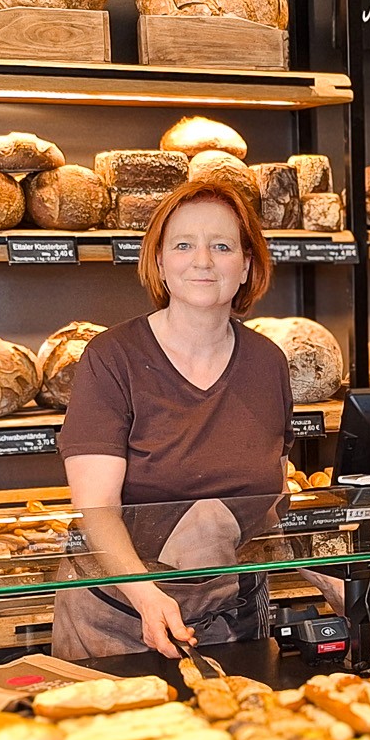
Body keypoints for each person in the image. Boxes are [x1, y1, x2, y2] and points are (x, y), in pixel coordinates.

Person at [54, 175, 295, 659]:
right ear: (160, 262)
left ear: (247, 266)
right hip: (117, 618)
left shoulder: (268, 362)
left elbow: (269, 503)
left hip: (233, 616)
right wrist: (145, 596)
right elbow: (96, 504)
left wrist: (328, 576)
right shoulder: (112, 356)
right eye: (184, 244)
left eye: (222, 246)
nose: (203, 260)